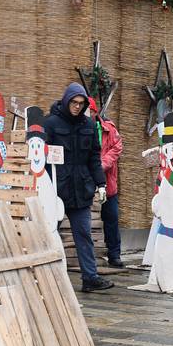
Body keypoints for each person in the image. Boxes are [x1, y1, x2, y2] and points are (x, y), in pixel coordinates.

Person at [43, 83, 114, 292]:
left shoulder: (89, 126)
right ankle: (49, 278)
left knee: (83, 234)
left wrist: (101, 183)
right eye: (74, 102)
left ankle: (90, 278)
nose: (77, 106)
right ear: (66, 101)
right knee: (50, 233)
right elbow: (38, 156)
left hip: (81, 187)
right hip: (56, 188)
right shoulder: (51, 124)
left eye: (81, 103)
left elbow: (94, 157)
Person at [87, 98, 125, 268]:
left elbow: (117, 146)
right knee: (86, 219)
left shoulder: (109, 129)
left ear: (95, 112)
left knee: (111, 217)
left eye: (90, 111)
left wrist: (102, 164)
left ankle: (114, 254)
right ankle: (88, 257)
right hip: (87, 180)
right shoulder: (79, 129)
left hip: (108, 181)